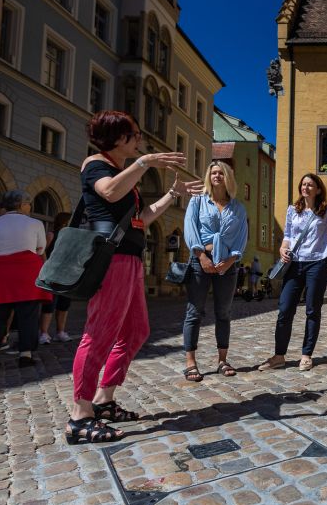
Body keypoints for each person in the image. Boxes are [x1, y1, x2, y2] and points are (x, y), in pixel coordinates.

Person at [67, 110, 201, 444]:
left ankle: (104, 400)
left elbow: (141, 217)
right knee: (98, 334)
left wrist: (174, 194)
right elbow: (109, 193)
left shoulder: (122, 172)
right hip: (111, 260)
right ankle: (79, 416)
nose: (140, 140)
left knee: (136, 330)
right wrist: (144, 164)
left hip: (130, 258)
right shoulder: (96, 164)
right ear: (118, 137)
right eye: (135, 134)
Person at [259, 174, 327, 372]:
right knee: (285, 309)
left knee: (312, 310)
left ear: (318, 189)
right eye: (303, 184)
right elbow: (287, 236)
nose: (306, 188)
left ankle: (306, 355)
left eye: (310, 185)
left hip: (317, 263)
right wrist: (282, 249)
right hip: (294, 264)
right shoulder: (293, 210)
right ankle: (279, 356)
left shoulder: (326, 210)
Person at [181, 160, 248, 382]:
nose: (217, 176)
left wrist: (231, 260)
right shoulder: (198, 201)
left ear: (228, 177)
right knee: (194, 311)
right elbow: (190, 229)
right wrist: (200, 256)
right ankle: (190, 361)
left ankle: (222, 359)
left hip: (227, 263)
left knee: (224, 312)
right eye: (213, 172)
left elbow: (241, 237)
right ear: (209, 177)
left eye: (221, 173)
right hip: (201, 259)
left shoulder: (237, 207)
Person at [0, 190, 49, 369]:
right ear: (22, 204)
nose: (29, 207)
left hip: (0, 271)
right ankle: (26, 354)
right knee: (28, 314)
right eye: (28, 204)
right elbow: (40, 248)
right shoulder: (35, 223)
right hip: (26, 270)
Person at [39, 212, 74, 344]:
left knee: (63, 306)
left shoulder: (72, 237)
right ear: (64, 222)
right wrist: (47, 266)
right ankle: (44, 333)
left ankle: (60, 332)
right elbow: (42, 251)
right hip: (52, 275)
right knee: (49, 305)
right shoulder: (51, 235)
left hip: (67, 275)